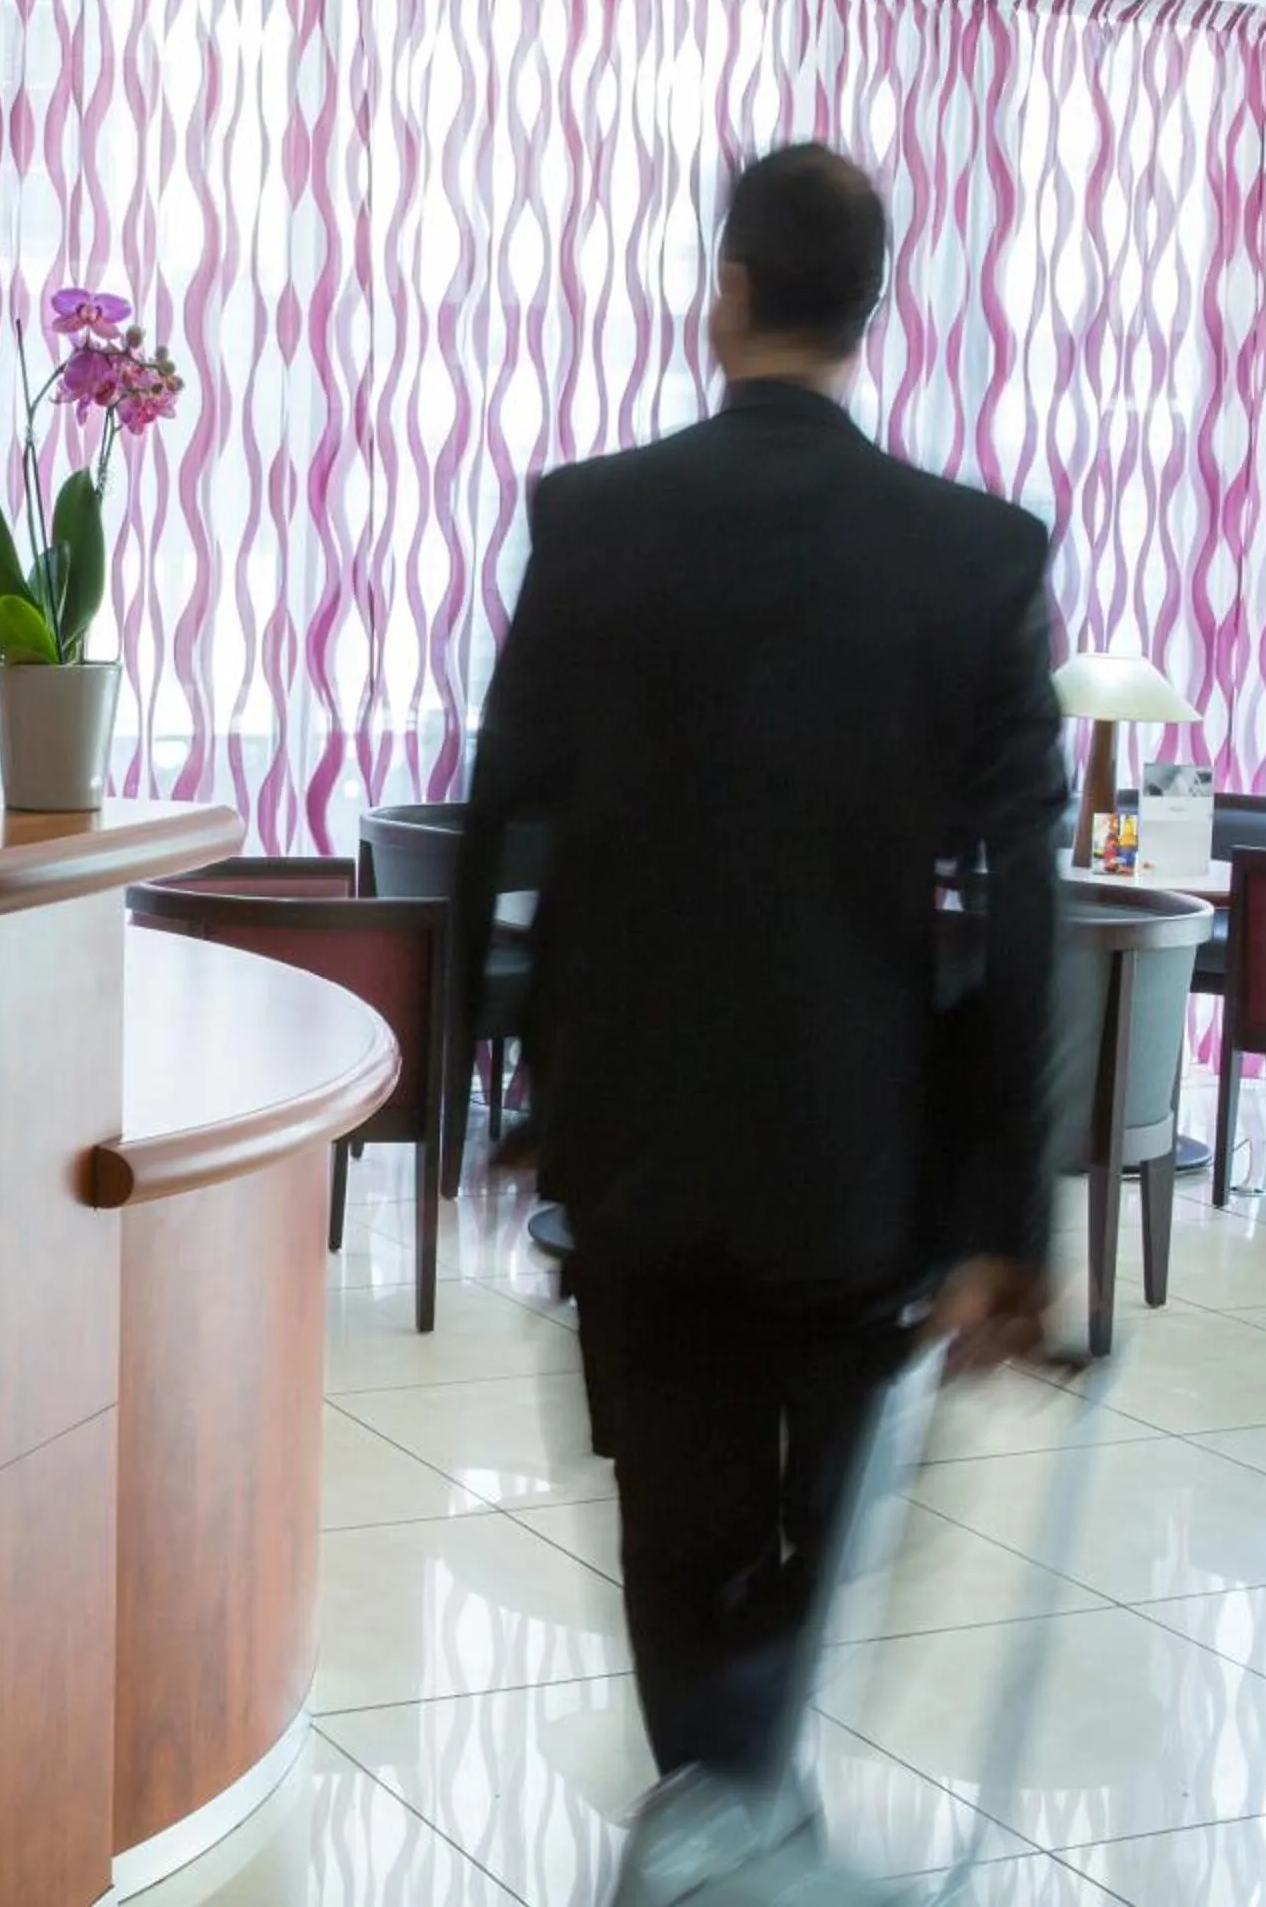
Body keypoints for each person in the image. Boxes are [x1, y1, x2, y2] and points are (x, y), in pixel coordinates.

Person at [446, 145, 1065, 1813]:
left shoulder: (592, 521)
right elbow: (1019, 912)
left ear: (724, 296)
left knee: (669, 1515)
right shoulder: (980, 560)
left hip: (638, 1148)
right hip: (858, 1169)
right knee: (820, 1516)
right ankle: (746, 1789)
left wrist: (501, 1098)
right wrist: (1010, 1223)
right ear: (873, 315)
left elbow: (500, 824)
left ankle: (714, 1793)